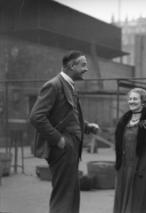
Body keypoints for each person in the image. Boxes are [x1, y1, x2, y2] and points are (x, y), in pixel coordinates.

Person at [29, 50, 99, 213]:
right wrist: (58, 140)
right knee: (63, 194)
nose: (86, 69)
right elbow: (36, 117)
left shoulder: (70, 85)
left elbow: (69, 116)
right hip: (62, 148)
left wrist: (87, 127)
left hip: (71, 148)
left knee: (71, 192)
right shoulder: (54, 85)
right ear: (71, 66)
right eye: (83, 65)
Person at [113, 88, 146, 213]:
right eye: (130, 99)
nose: (131, 101)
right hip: (125, 166)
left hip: (143, 166)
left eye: (135, 99)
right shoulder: (124, 120)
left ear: (143, 101)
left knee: (140, 199)